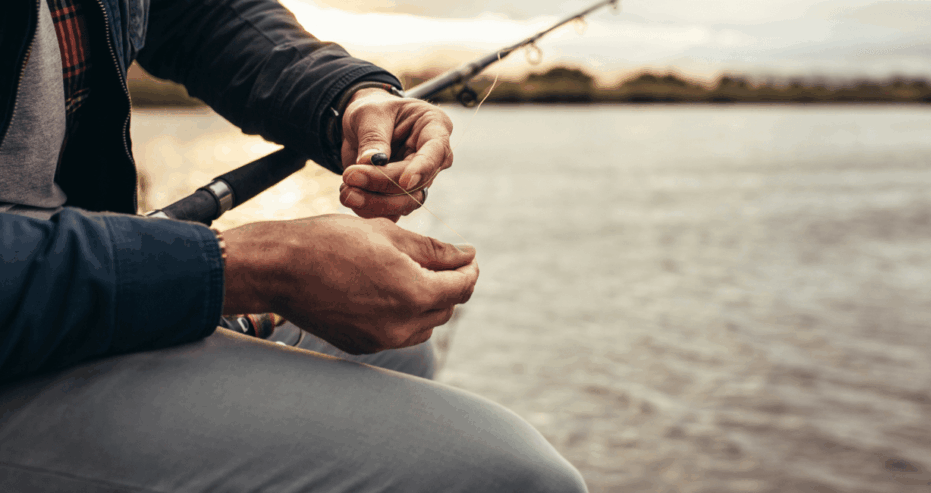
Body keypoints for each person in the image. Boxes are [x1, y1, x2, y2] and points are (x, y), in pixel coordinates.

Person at [0, 0, 588, 491]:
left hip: (61, 294)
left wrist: (349, 100)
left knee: (394, 350)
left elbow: (199, 14)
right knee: (517, 476)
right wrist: (247, 266)